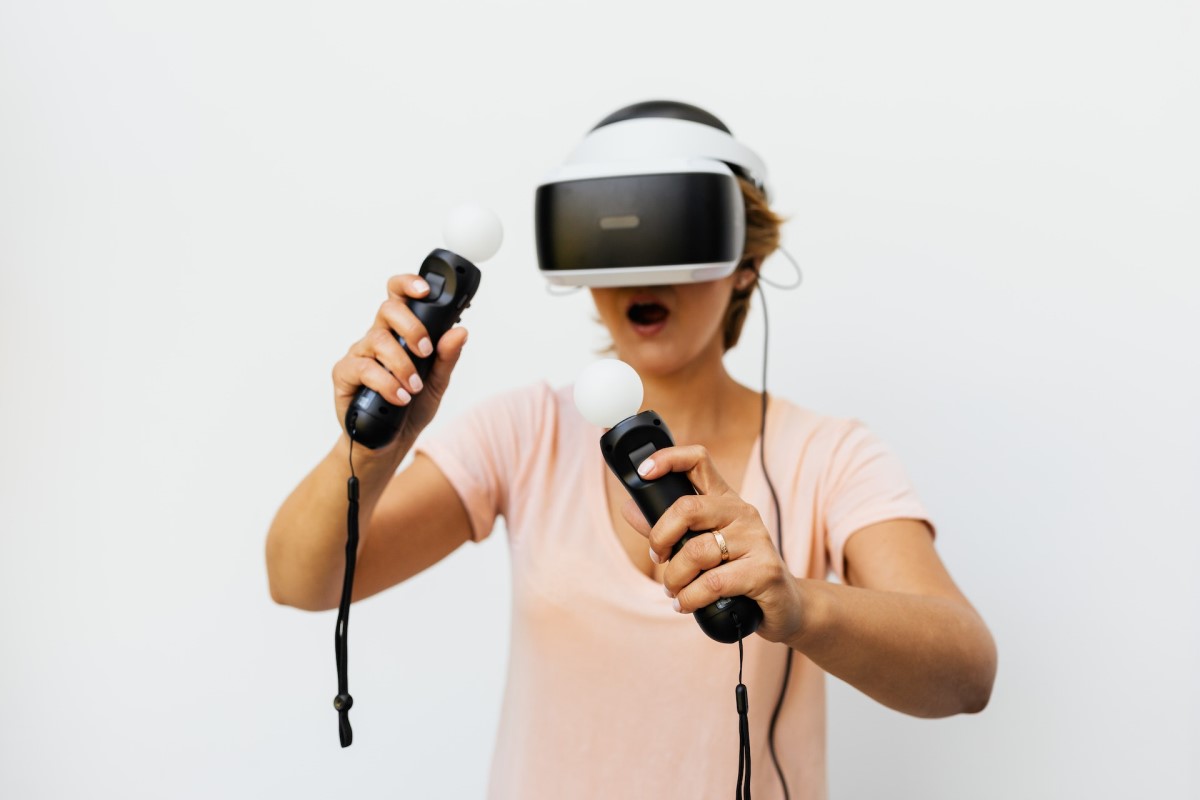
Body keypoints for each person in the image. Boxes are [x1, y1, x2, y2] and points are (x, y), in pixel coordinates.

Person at [265, 102, 997, 800]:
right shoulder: (526, 433)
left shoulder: (829, 457)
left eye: (674, 235)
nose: (644, 273)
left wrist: (799, 605)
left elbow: (966, 673)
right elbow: (302, 579)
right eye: (616, 240)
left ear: (745, 261)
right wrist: (376, 444)